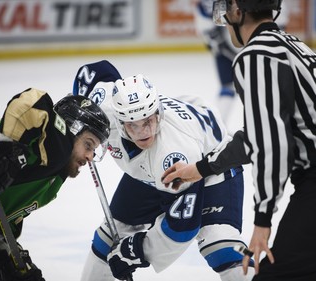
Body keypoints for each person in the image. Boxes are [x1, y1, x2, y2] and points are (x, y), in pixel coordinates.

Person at [162, 0, 316, 280]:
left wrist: (263, 219)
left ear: (237, 11)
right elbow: (256, 137)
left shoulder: (255, 55)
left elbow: (271, 143)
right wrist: (198, 169)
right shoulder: (296, 46)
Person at [73, 60, 254, 280]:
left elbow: (182, 228)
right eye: (133, 125)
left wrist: (138, 250)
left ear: (158, 112)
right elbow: (97, 71)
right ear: (120, 122)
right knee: (108, 239)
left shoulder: (174, 152)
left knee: (220, 247)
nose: (142, 132)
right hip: (150, 171)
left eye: (148, 121)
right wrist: (81, 109)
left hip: (209, 166)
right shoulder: (107, 112)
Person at [0, 88, 110, 281]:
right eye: (88, 144)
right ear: (68, 129)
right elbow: (33, 100)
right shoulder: (53, 141)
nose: (90, 157)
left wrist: (7, 255)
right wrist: (7, 150)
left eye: (94, 150)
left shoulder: (52, 183)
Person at [194, 0, 288, 127]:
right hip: (239, 46)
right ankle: (217, 126)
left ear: (237, 13)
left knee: (232, 87)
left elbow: (206, 25)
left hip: (232, 47)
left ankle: (216, 127)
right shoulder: (288, 50)